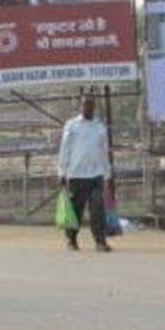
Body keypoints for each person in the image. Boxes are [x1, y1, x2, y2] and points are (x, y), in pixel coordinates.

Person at [57, 94, 113, 252]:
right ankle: (72, 239)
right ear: (80, 106)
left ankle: (100, 242)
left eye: (90, 104)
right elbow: (65, 149)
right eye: (85, 104)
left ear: (94, 107)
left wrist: (107, 175)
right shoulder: (72, 125)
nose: (88, 107)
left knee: (97, 210)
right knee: (76, 210)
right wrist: (62, 171)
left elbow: (104, 152)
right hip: (76, 175)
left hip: (96, 175)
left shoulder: (99, 127)